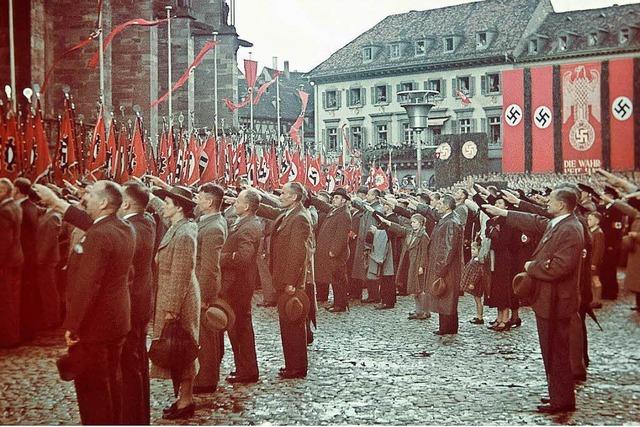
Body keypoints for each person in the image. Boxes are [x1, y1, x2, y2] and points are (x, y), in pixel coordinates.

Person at [33, 181, 135, 425]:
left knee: (93, 393)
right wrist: (56, 203)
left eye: (90, 193)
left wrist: (73, 327)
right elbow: (94, 224)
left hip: (94, 327)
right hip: (116, 322)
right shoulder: (124, 227)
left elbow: (87, 287)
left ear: (102, 203)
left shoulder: (99, 236)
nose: (84, 196)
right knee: (111, 384)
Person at [484, 187, 585, 414]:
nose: (547, 204)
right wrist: (506, 213)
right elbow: (535, 221)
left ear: (561, 204)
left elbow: (560, 266)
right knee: (551, 352)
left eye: (550, 201)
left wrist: (531, 267)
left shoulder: (570, 228)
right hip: (549, 300)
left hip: (557, 301)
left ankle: (562, 400)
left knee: (557, 352)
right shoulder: (560, 222)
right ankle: (558, 395)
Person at [151, 185, 200, 420]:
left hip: (180, 299)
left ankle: (186, 399)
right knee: (175, 350)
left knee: (182, 349)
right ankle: (182, 397)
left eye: (169, 203)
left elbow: (182, 272)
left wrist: (172, 308)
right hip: (173, 295)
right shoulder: (178, 225)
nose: (165, 207)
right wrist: (150, 193)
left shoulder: (184, 233)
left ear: (179, 208)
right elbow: (160, 207)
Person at [260, 182, 313, 379]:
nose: (280, 196)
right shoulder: (289, 213)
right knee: (286, 324)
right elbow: (272, 209)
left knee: (293, 324)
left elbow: (297, 253)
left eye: (283, 194)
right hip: (282, 278)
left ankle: (297, 367)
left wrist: (291, 281)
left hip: (290, 281)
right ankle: (291, 364)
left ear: (294, 197)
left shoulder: (299, 218)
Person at [221, 188, 263, 383]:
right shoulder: (245, 222)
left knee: (241, 329)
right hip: (238, 284)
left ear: (246, 206)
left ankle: (247, 370)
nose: (234, 204)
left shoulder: (248, 226)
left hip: (239, 285)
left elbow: (243, 258)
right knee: (238, 328)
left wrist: (221, 258)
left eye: (238, 201)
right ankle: (243, 368)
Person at [193, 183, 228, 394]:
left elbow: (209, 267)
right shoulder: (207, 221)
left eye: (199, 197)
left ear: (209, 202)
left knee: (206, 336)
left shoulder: (214, 227)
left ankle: (206, 379)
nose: (196, 200)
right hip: (199, 284)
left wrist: (205, 296)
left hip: (203, 288)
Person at [377, 213, 430, 319]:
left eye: (414, 222)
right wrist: (387, 222)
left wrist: (422, 266)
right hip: (411, 263)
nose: (412, 224)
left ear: (420, 223)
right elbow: (399, 229)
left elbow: (425, 252)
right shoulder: (410, 232)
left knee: (420, 289)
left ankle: (424, 311)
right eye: (412, 222)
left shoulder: (423, 236)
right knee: (414, 288)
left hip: (417, 264)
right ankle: (418, 310)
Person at [425, 194, 463, 335]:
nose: (438, 205)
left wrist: (441, 268)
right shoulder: (448, 220)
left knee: (446, 296)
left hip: (447, 267)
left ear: (447, 206)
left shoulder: (450, 222)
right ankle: (448, 327)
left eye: (441, 203)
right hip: (445, 265)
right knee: (445, 297)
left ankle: (447, 328)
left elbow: (448, 247)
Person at [310, 188, 353, 313]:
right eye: (334, 197)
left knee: (338, 280)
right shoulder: (336, 210)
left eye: (337, 198)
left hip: (336, 254)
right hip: (331, 252)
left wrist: (334, 251)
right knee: (335, 279)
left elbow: (341, 235)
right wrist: (312, 198)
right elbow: (323, 205)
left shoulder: (344, 214)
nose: (334, 199)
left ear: (344, 201)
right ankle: (338, 302)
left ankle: (341, 304)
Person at [14, 178, 41, 340]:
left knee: (25, 296)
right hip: (29, 256)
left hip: (25, 257)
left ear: (17, 191)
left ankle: (26, 331)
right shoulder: (30, 207)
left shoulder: (24, 209)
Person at [0, 178, 24, 348]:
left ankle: (8, 338)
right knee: (12, 300)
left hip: (7, 262)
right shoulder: (15, 207)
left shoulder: (4, 211)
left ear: (5, 192)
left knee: (7, 300)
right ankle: (12, 335)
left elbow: (4, 242)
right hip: (16, 258)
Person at [461, 242, 486, 324]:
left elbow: (477, 274)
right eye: (472, 249)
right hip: (475, 283)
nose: (472, 251)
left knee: (478, 300)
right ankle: (478, 315)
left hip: (477, 284)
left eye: (474, 249)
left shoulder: (478, 261)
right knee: (476, 300)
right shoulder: (474, 259)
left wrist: (472, 283)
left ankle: (480, 317)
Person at [587, 211, 605, 309]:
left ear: (597, 221)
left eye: (590, 219)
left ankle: (597, 300)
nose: (588, 221)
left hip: (594, 262)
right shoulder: (592, 231)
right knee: (592, 280)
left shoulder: (598, 233)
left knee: (595, 280)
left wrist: (594, 263)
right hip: (590, 261)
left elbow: (598, 250)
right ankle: (593, 299)